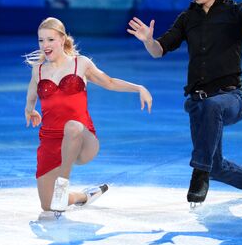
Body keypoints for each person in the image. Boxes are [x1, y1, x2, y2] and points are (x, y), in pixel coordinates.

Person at [127, 0, 242, 207]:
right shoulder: (188, 18)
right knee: (215, 165)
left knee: (211, 118)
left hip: (232, 98)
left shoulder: (234, 11)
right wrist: (147, 40)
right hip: (199, 102)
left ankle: (199, 174)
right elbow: (159, 50)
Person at [25, 17, 153, 213]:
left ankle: (63, 184)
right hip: (51, 140)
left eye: (50, 40)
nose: (45, 45)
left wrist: (138, 88)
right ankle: (84, 196)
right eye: (41, 40)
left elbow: (109, 82)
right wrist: (30, 109)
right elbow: (32, 93)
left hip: (83, 140)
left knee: (72, 126)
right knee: (47, 206)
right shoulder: (39, 70)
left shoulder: (80, 63)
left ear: (62, 39)